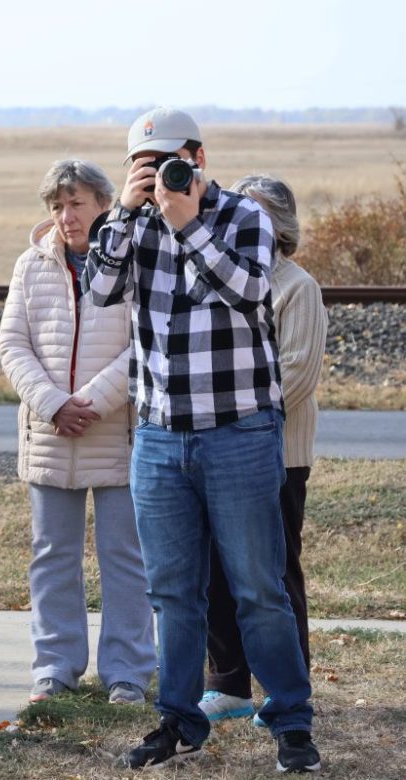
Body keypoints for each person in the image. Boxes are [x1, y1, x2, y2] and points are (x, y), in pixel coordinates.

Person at [84, 107, 321, 773]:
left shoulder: (246, 217)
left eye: (173, 159)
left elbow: (246, 291)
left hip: (240, 432)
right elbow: (98, 290)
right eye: (147, 162)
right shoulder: (128, 225)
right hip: (159, 436)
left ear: (199, 156)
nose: (164, 173)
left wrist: (187, 226)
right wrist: (127, 215)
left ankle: (292, 724)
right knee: (173, 590)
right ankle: (178, 721)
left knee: (258, 587)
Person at [0, 160, 156, 706]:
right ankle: (55, 667)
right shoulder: (30, 265)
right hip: (50, 433)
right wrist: (53, 404)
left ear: (105, 205)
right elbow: (12, 345)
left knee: (125, 555)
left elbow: (146, 345)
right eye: (57, 206)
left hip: (116, 432)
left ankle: (128, 672)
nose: (66, 216)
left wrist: (90, 402)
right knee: (51, 554)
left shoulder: (135, 259)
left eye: (77, 203)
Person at [199, 175, 327, 723]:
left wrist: (237, 416)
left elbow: (297, 371)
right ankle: (227, 684)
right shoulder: (218, 277)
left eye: (255, 213)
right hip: (216, 448)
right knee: (216, 570)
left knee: (272, 573)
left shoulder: (298, 286)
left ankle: (285, 688)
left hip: (276, 452)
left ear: (279, 226)